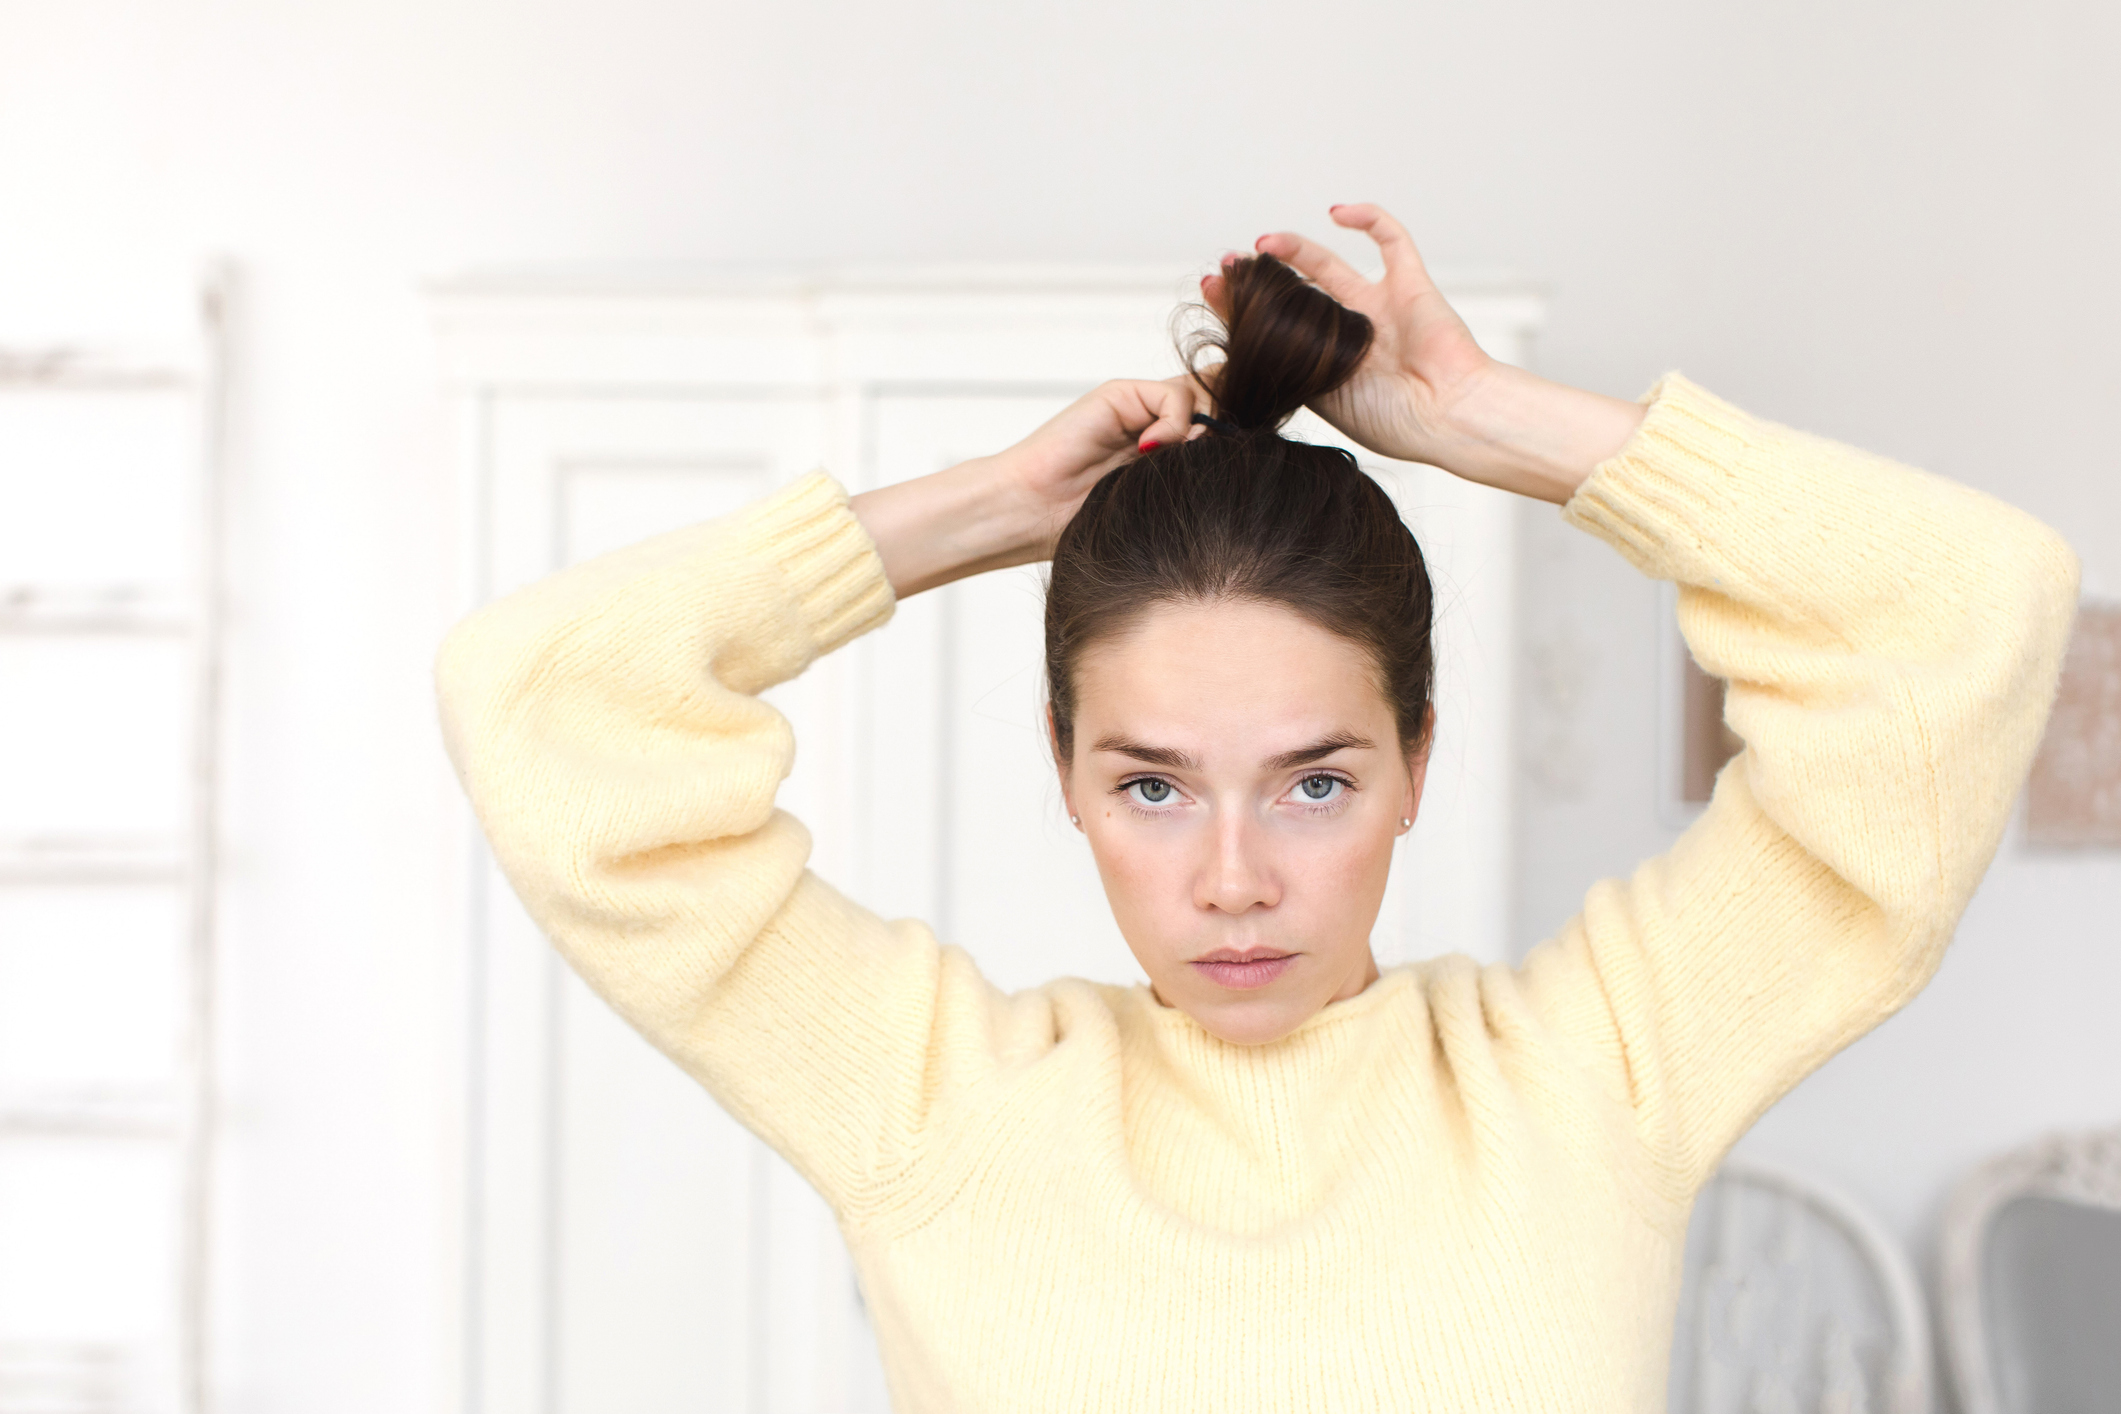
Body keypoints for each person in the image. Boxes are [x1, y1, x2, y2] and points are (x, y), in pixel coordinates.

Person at [433, 203, 2080, 1411]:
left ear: (1415, 762)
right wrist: (978, 509)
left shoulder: (1600, 1071)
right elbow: (543, 700)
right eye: (1150, 783)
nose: (1232, 878)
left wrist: (1487, 425)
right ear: (1063, 770)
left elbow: (1968, 610)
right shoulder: (931, 1104)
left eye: (1314, 781)